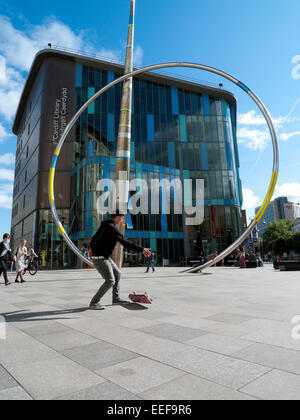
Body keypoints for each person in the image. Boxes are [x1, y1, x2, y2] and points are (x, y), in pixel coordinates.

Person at [89, 211, 151, 310]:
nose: (122, 220)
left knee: (117, 273)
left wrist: (95, 251)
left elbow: (93, 240)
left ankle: (116, 299)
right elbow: (125, 242)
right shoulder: (111, 228)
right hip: (100, 259)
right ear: (117, 217)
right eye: (122, 218)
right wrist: (142, 249)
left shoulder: (105, 226)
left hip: (104, 257)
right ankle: (94, 302)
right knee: (110, 281)